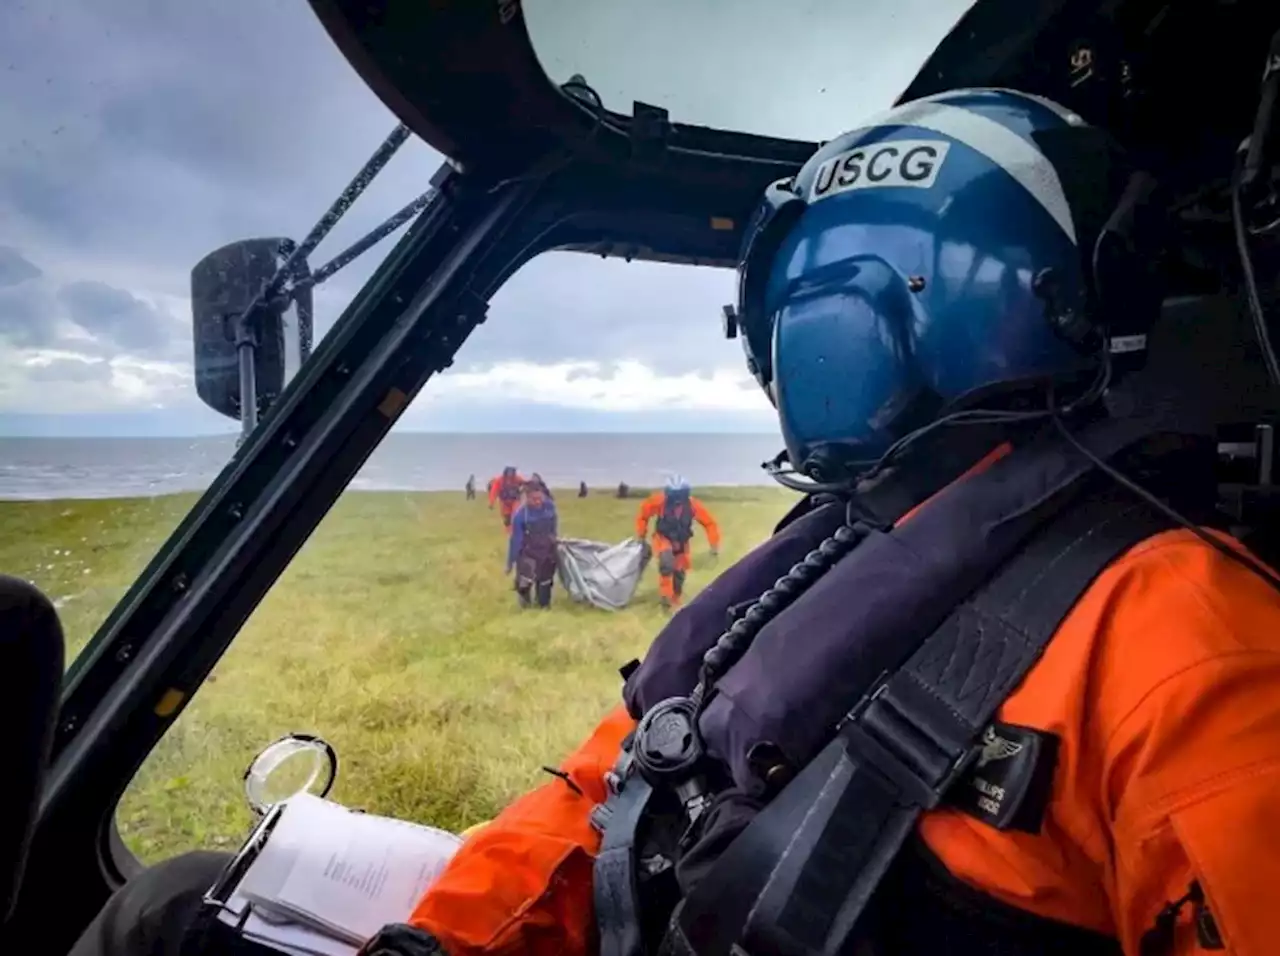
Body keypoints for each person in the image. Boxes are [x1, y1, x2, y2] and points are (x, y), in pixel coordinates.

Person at [70, 89, 1280, 956]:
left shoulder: (1188, 636)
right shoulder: (834, 555)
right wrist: (430, 941)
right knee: (172, 901)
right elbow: (614, 792)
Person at [633, 475, 720, 611]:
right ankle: (665, 599)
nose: (677, 499)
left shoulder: (693, 505)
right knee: (667, 564)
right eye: (674, 495)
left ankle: (675, 598)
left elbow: (709, 523)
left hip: (682, 542)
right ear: (668, 494)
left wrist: (714, 545)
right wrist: (641, 535)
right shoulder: (659, 501)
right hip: (663, 538)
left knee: (679, 572)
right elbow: (643, 515)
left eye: (680, 494)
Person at [506, 481, 559, 609]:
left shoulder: (550, 507)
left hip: (547, 552)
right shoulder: (520, 516)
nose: (537, 502)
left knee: (545, 586)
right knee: (524, 584)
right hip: (527, 553)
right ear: (526, 497)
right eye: (533, 499)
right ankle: (525, 609)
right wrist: (510, 562)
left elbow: (554, 528)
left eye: (539, 498)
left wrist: (555, 542)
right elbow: (516, 540)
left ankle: (543, 606)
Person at [486, 465, 524, 534]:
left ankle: (517, 529)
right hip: (504, 502)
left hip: (515, 500)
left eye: (511, 475)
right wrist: (491, 503)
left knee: (516, 514)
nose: (509, 477)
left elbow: (526, 484)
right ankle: (509, 531)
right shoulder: (499, 480)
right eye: (508, 474)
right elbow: (494, 491)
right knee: (506, 517)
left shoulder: (518, 479)